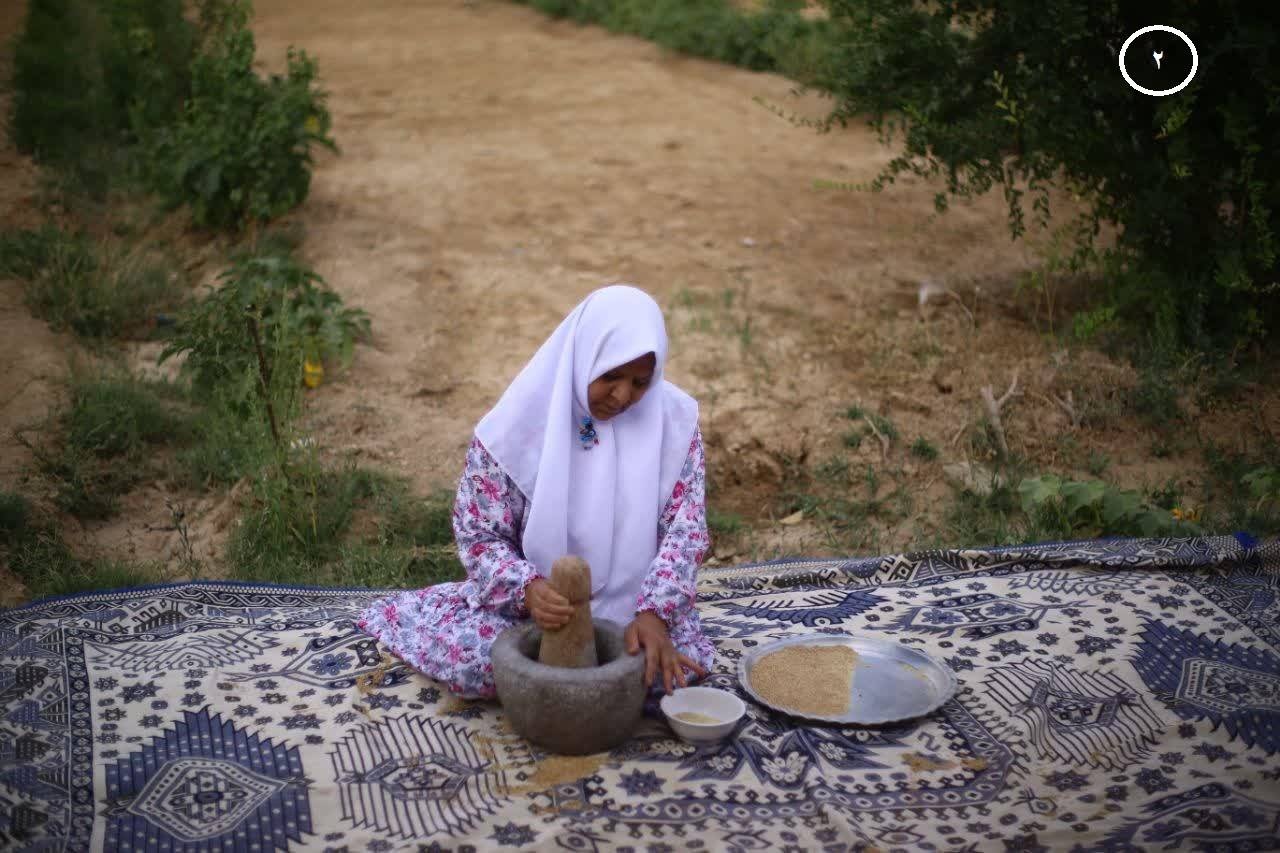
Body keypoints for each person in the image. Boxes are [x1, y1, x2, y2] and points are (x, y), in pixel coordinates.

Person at [358, 285, 715, 699]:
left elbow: (685, 533)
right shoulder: (515, 428)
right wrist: (528, 589)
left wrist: (656, 613)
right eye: (611, 376)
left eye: (640, 383)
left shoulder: (674, 423)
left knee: (671, 666)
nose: (623, 396)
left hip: (637, 607)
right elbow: (480, 536)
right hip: (536, 613)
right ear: (584, 357)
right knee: (480, 663)